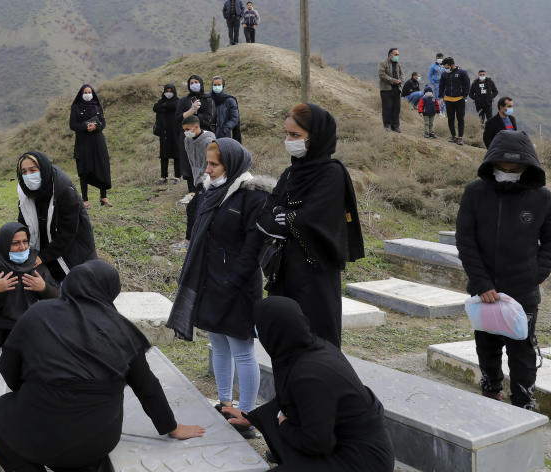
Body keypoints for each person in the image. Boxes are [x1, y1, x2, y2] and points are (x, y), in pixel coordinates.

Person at [0, 261, 205, 472]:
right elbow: (147, 387)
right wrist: (171, 427)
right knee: (82, 439)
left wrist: (25, 390)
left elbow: (8, 366)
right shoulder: (123, 331)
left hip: (39, 430)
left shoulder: (38, 314)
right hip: (97, 440)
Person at [167, 139, 268, 437]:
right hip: (210, 281)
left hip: (238, 286)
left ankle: (246, 415)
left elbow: (253, 249)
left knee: (242, 349)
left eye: (214, 164)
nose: (207, 170)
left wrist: (233, 281)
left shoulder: (252, 196)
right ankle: (226, 404)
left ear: (232, 165)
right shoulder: (211, 192)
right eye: (207, 164)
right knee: (219, 345)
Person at [222, 297, 395, 471]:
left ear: (273, 331)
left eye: (259, 326)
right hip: (348, 444)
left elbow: (318, 443)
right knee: (273, 418)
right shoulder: (308, 349)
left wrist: (284, 426)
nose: (257, 331)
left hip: (362, 461)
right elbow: (289, 402)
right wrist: (252, 417)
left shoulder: (309, 376)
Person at [456, 130, 551, 409]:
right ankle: (491, 390)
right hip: (485, 291)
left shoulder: (541, 198)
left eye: (514, 169)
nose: (507, 173)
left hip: (523, 293)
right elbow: (466, 241)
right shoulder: (475, 193)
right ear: (491, 164)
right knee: (487, 347)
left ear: (527, 167)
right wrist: (481, 283)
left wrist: (533, 277)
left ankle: (523, 403)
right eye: (502, 168)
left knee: (522, 351)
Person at [256, 103, 364, 347]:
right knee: (284, 339)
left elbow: (312, 219)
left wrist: (286, 215)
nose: (289, 140)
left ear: (315, 138)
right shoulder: (291, 173)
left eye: (295, 135)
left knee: (317, 341)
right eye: (286, 134)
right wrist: (288, 215)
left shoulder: (331, 174)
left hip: (316, 275)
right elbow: (265, 215)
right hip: (283, 272)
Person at [17, 151, 98, 283]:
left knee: (74, 286)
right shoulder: (25, 192)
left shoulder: (65, 192)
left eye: (33, 170)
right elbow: (23, 223)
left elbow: (67, 233)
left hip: (72, 251)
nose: (28, 176)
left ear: (43, 169)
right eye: (24, 172)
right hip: (46, 248)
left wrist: (42, 257)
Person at [68, 84, 112, 208]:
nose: (88, 94)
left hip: (98, 142)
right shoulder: (75, 107)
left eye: (90, 92)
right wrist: (85, 127)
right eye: (85, 92)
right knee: (84, 169)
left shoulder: (97, 106)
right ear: (81, 94)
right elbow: (72, 125)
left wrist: (96, 127)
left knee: (102, 167)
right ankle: (85, 200)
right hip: (83, 143)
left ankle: (103, 197)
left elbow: (103, 123)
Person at [175, 75, 216, 195]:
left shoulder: (208, 99)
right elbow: (178, 118)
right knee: (189, 161)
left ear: (201, 83)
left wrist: (192, 117)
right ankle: (192, 190)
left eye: (196, 82)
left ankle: (207, 188)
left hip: (204, 136)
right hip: (187, 136)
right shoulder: (183, 101)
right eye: (191, 82)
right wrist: (191, 111)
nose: (194, 84)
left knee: (205, 160)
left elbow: (209, 118)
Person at [180, 115, 216, 247]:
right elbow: (191, 162)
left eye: (188, 129)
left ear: (196, 126)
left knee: (192, 209)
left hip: (208, 179)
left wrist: (207, 181)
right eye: (184, 130)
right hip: (197, 180)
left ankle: (190, 241)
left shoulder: (209, 141)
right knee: (200, 209)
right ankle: (200, 239)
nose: (186, 132)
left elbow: (214, 163)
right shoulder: (187, 141)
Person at [152, 84, 182, 184]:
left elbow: (174, 105)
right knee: (163, 155)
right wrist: (164, 105)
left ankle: (177, 176)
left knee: (176, 155)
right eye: (166, 91)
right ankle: (163, 177)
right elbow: (155, 107)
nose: (168, 93)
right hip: (164, 133)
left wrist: (164, 106)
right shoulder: (161, 101)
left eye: (170, 91)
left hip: (175, 132)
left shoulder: (177, 102)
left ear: (174, 92)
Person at [439, 57, 470, 145]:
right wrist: (441, 97)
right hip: (448, 99)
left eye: (447, 67)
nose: (446, 69)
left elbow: (467, 84)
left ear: (452, 65)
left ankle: (460, 138)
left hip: (460, 99)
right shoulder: (444, 74)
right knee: (450, 119)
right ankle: (453, 136)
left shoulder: (462, 73)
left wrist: (465, 96)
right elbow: (441, 86)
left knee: (460, 119)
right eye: (445, 67)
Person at [377, 48, 404, 132]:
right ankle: (387, 125)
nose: (397, 56)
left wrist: (400, 80)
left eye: (398, 54)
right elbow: (382, 75)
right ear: (390, 55)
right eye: (396, 54)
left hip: (397, 89)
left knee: (396, 108)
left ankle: (395, 126)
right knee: (387, 108)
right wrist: (393, 80)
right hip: (386, 90)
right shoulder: (383, 63)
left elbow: (402, 74)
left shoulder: (398, 64)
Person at [210, 76, 241, 141]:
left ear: (223, 85)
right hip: (209, 134)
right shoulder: (207, 99)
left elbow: (235, 118)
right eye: (215, 85)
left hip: (224, 135)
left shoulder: (230, 100)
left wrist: (225, 129)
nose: (217, 87)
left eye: (219, 85)